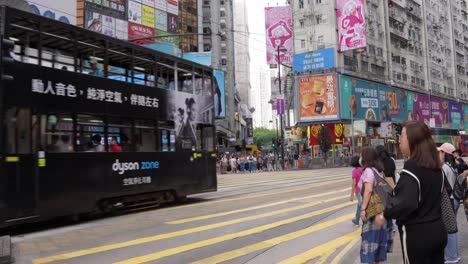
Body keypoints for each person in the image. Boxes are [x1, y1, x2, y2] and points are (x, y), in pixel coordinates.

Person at [384, 121, 447, 264]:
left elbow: (404, 204)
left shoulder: (412, 168)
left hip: (417, 235)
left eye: (402, 136)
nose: (399, 139)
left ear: (413, 141)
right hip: (438, 230)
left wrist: (386, 210)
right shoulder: (437, 167)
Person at [358, 147, 390, 264]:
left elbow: (368, 190)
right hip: (381, 214)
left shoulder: (368, 171)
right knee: (377, 250)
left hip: (372, 214)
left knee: (369, 247)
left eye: (361, 155)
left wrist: (362, 209)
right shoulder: (380, 171)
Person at [438, 143, 461, 264]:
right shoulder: (453, 166)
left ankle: (451, 256)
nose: (438, 154)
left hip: (448, 199)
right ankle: (454, 254)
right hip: (455, 199)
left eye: (440, 152)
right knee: (453, 226)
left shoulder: (444, 168)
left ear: (444, 153)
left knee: (449, 228)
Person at [350, 155, 363, 226]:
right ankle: (356, 219)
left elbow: (354, 183)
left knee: (361, 205)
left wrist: (352, 195)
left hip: (358, 191)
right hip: (364, 190)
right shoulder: (363, 169)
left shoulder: (354, 171)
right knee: (359, 205)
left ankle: (365, 221)